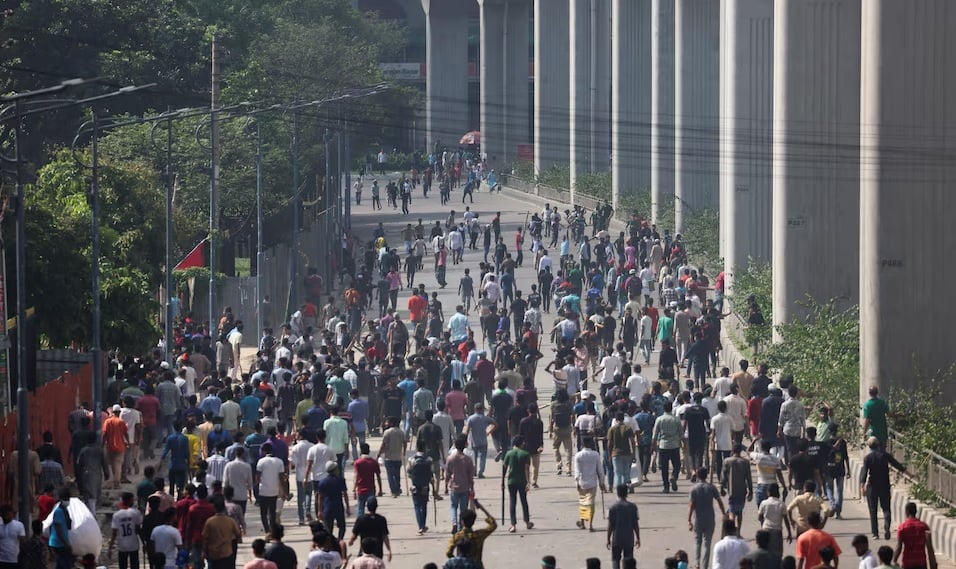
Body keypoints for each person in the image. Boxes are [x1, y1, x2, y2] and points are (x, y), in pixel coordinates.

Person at [859, 437, 906, 540]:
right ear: (878, 445)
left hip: (872, 486)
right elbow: (897, 465)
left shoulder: (868, 458)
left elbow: (864, 473)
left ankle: (875, 533)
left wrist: (862, 486)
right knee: (886, 508)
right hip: (884, 485)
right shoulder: (885, 456)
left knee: (873, 510)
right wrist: (908, 473)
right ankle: (887, 524)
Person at [689, 467, 726, 569]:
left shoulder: (694, 489)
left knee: (697, 542)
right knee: (707, 544)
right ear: (706, 475)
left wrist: (689, 520)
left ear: (697, 475)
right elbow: (719, 501)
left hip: (697, 519)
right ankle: (705, 566)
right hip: (709, 519)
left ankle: (697, 563)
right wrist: (723, 513)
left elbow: (692, 505)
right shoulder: (711, 487)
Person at [447, 500, 497, 569]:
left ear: (462, 522)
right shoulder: (479, 535)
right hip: (477, 565)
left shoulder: (457, 536)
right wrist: (482, 508)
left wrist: (456, 560)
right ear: (473, 522)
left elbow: (448, 552)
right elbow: (493, 525)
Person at [501, 435, 534, 533]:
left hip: (511, 481)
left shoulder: (509, 453)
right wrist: (528, 482)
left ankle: (513, 525)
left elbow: (504, 468)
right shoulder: (525, 454)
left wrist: (502, 481)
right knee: (524, 501)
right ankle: (527, 522)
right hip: (522, 481)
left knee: (512, 502)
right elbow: (526, 469)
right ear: (521, 443)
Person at [574, 438, 606, 531]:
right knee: (591, 504)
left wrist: (576, 481)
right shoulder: (595, 455)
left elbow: (577, 470)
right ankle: (591, 525)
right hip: (592, 482)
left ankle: (582, 522)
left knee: (583, 502)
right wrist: (602, 482)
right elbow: (600, 470)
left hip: (581, 482)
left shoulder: (578, 455)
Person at [893, 502, 937, 569]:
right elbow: (929, 548)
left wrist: (894, 560)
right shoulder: (924, 527)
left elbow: (899, 546)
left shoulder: (902, 527)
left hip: (907, 563)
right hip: (921, 563)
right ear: (916, 512)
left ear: (906, 512)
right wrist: (933, 565)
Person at [445, 437, 476, 533]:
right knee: (463, 509)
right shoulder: (468, 459)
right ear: (465, 446)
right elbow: (471, 475)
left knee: (453, 506)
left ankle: (454, 522)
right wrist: (472, 487)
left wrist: (446, 486)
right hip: (465, 487)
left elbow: (447, 474)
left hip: (454, 486)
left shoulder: (450, 458)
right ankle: (460, 528)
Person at [606, 484, 641, 569]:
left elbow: (610, 525)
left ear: (617, 493)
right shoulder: (633, 507)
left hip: (616, 538)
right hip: (629, 538)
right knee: (628, 561)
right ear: (627, 493)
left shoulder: (612, 507)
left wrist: (608, 539)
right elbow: (635, 525)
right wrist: (638, 538)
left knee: (615, 559)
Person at [720, 443, 753, 532]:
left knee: (732, 511)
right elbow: (749, 478)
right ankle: (738, 531)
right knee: (740, 512)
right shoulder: (745, 462)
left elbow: (723, 477)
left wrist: (721, 488)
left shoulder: (727, 461)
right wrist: (751, 491)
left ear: (732, 451)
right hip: (742, 491)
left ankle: (731, 531)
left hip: (731, 490)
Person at [202, 496, 241, 569]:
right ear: (224, 508)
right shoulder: (230, 521)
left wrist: (204, 551)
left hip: (213, 554)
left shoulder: (209, 521)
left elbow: (205, 538)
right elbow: (238, 534)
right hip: (227, 553)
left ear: (214, 508)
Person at [350, 496, 392, 562]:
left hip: (364, 550)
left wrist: (351, 541)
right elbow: (385, 536)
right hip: (377, 552)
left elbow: (355, 534)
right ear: (376, 506)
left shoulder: (361, 519)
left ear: (367, 506)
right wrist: (389, 550)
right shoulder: (381, 519)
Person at [316, 461, 350, 541]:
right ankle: (339, 541)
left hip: (327, 508)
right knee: (342, 527)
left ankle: (331, 544)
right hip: (338, 507)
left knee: (328, 529)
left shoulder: (323, 482)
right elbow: (345, 494)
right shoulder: (341, 480)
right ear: (335, 470)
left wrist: (320, 511)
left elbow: (320, 497)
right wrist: (347, 507)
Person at [757, 483, 793, 560]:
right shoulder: (781, 504)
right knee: (777, 554)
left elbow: (759, 517)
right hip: (777, 531)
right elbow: (786, 520)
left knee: (766, 552)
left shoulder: (764, 503)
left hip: (766, 530)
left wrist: (763, 525)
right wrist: (789, 533)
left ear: (768, 492)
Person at [256, 442, 285, 534]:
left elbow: (257, 477)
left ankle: (267, 530)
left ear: (264, 451)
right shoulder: (279, 461)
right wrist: (283, 491)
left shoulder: (261, 461)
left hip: (263, 490)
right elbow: (281, 478)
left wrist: (257, 486)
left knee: (263, 513)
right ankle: (272, 530)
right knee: (272, 512)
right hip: (274, 490)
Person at [109, 492, 143, 569]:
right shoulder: (135, 513)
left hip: (122, 545)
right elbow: (138, 529)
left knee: (123, 565)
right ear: (129, 500)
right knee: (134, 565)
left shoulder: (117, 515)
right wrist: (144, 542)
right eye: (132, 500)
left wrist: (110, 548)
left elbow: (114, 532)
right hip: (133, 544)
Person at [408, 439, 435, 535]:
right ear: (425, 448)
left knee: (417, 505)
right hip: (425, 487)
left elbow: (409, 473)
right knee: (424, 505)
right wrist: (433, 487)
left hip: (415, 486)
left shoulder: (411, 459)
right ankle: (423, 525)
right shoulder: (429, 460)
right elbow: (431, 475)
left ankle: (420, 526)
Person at [48, 487, 73, 569]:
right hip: (59, 543)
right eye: (67, 499)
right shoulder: (58, 511)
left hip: (61, 542)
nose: (68, 501)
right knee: (64, 564)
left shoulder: (64, 510)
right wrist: (66, 543)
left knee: (62, 564)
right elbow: (58, 529)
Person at [0, 504, 25, 569]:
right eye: (3, 515)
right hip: (1, 559)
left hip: (14, 559)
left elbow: (22, 542)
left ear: (12, 514)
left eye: (7, 514)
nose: (5, 517)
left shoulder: (19, 525)